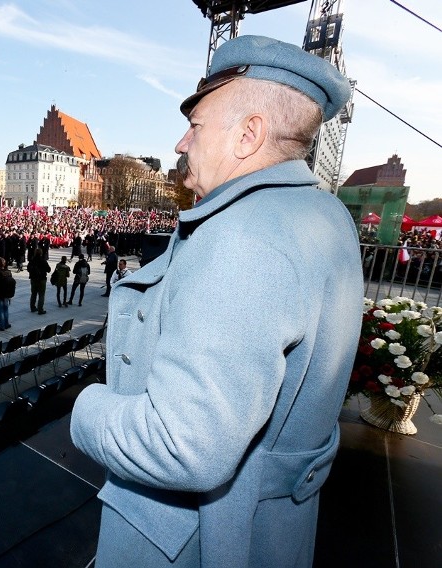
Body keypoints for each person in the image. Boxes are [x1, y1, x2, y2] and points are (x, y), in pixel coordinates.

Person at [70, 35, 363, 568]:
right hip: (271, 531)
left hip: (198, 542)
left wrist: (86, 409)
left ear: (248, 134)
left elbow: (186, 446)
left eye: (196, 124)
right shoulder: (327, 216)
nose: (182, 142)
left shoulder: (242, 238)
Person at [0, 256, 15, 331]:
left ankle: (2, 325)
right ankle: (6, 323)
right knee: (6, 309)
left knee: (0, 310)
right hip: (7, 294)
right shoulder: (8, 272)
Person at [26, 248, 51, 315]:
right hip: (42, 279)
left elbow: (28, 269)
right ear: (41, 253)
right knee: (41, 295)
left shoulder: (32, 260)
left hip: (33, 279)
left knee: (33, 294)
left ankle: (32, 307)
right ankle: (40, 309)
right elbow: (49, 269)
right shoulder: (43, 260)